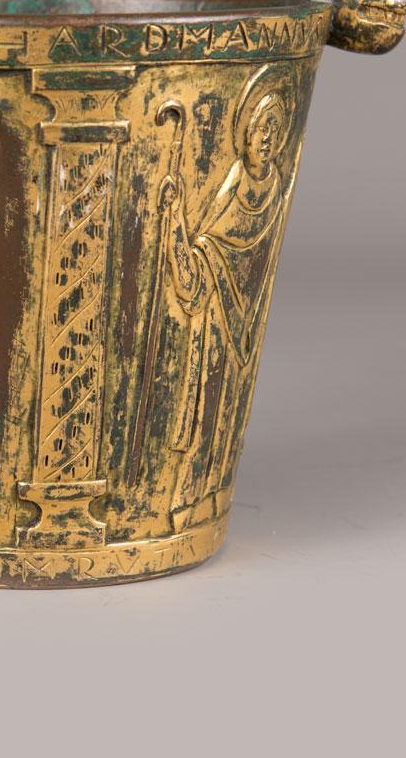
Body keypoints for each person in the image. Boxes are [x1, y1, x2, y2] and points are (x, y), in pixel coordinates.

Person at [161, 67, 297, 532]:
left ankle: (207, 500)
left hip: (242, 322)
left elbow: (251, 257)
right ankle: (187, 501)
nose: (269, 139)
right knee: (207, 408)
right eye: (262, 129)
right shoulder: (231, 189)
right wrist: (173, 220)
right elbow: (199, 270)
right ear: (247, 135)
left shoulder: (272, 189)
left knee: (224, 411)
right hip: (215, 319)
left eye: (275, 130)